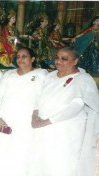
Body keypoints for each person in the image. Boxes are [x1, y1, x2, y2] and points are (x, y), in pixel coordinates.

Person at [28, 47, 99, 176]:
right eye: (57, 57)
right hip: (42, 128)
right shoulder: (50, 76)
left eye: (64, 59)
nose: (58, 61)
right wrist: (35, 115)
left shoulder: (83, 79)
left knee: (63, 162)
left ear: (75, 61)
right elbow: (38, 98)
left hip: (66, 130)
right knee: (42, 161)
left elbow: (75, 107)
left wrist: (48, 121)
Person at [0, 47, 47, 176]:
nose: (20, 59)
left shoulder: (42, 74)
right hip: (7, 118)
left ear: (32, 59)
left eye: (24, 56)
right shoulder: (8, 74)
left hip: (28, 119)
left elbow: (44, 97)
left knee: (24, 150)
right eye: (18, 57)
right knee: (5, 148)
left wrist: (38, 115)